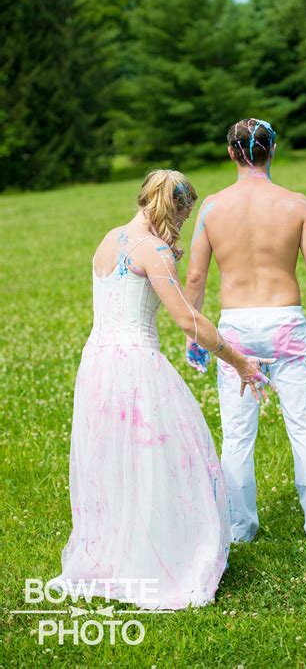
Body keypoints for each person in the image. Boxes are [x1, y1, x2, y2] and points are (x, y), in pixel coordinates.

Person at [50, 169, 275, 611]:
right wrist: (240, 361)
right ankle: (161, 560)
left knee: (115, 459)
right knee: (165, 458)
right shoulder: (154, 251)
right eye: (184, 215)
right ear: (176, 209)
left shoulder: (108, 238)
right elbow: (188, 320)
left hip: (97, 361)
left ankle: (121, 552)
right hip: (135, 364)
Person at [185, 119, 306, 544]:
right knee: (304, 428)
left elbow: (196, 279)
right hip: (286, 325)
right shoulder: (295, 204)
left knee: (237, 435)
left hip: (234, 329)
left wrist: (193, 334)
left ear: (231, 153)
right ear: (271, 151)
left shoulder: (212, 208)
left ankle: (239, 530)